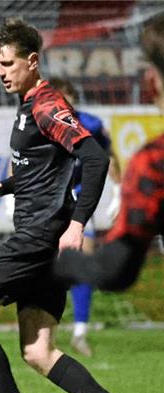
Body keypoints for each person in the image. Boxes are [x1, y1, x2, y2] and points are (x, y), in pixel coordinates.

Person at [0, 17, 150, 393]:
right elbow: (40, 175)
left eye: (8, 63)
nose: (1, 72)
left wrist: (78, 224)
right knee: (39, 350)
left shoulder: (45, 105)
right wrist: (1, 188)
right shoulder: (28, 105)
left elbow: (94, 158)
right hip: (44, 235)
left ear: (32, 61)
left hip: (39, 236)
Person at [54, 11, 164, 293]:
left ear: (152, 83)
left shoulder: (153, 161)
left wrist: (60, 264)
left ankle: (79, 329)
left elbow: (115, 271)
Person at [48, 77, 120, 357]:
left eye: (68, 97)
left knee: (83, 257)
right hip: (47, 199)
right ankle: (42, 326)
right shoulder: (43, 121)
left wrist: (119, 190)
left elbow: (108, 155)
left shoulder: (90, 124)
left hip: (77, 199)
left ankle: (80, 332)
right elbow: (19, 155)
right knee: (44, 263)